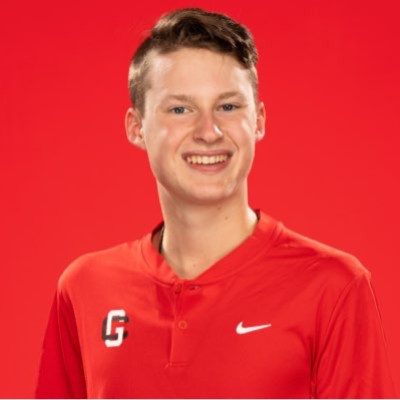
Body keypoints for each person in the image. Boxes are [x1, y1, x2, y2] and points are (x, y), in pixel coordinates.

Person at [35, 7, 397, 398]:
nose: (209, 132)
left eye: (228, 106)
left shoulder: (334, 288)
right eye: (180, 109)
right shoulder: (85, 287)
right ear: (136, 127)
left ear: (258, 120)